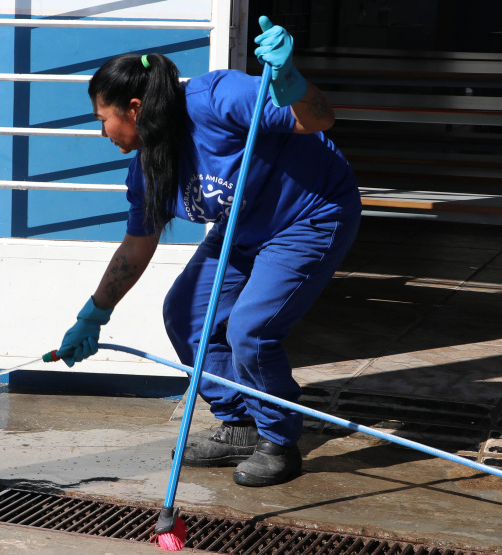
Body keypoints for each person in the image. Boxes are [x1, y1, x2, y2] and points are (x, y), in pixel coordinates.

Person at [54, 17, 362, 487]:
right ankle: (240, 424)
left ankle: (278, 440)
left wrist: (290, 80)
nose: (103, 132)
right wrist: (94, 314)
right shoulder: (149, 168)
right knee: (186, 315)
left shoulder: (218, 98)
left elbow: (317, 119)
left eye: (102, 119)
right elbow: (137, 244)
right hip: (242, 228)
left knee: (250, 329)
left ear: (133, 109)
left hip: (309, 216)